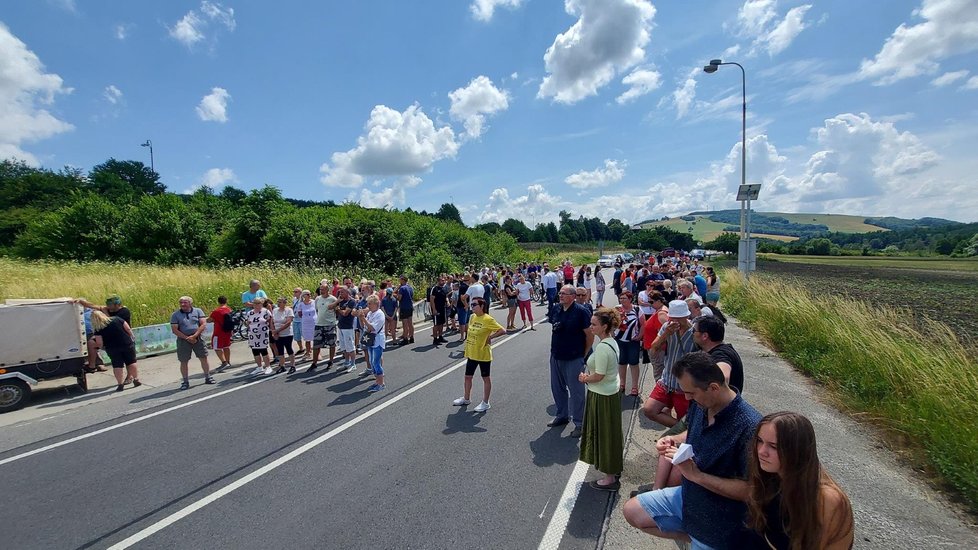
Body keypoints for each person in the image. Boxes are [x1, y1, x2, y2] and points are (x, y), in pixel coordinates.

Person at [623, 352, 762, 549]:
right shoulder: (702, 403)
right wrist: (673, 439)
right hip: (690, 496)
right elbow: (694, 432)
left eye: (691, 393)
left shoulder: (750, 428)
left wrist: (697, 476)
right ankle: (691, 534)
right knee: (632, 511)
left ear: (713, 387)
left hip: (720, 522)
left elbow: (753, 491)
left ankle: (698, 538)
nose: (687, 397)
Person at [734, 412, 855, 550]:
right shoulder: (771, 473)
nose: (762, 451)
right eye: (760, 441)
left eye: (773, 446)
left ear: (796, 450)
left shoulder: (825, 498)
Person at [579, 307, 623, 491]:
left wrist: (584, 378)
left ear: (605, 326)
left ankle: (609, 476)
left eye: (594, 324)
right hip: (608, 392)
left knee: (604, 434)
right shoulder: (612, 342)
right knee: (610, 432)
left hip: (602, 395)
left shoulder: (604, 348)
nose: (590, 327)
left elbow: (599, 375)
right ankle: (612, 467)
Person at [547, 284, 594, 438]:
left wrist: (584, 353)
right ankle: (562, 415)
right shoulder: (556, 309)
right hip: (556, 355)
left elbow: (589, 335)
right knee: (557, 388)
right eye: (560, 293)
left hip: (574, 357)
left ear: (573, 296)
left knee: (576, 392)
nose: (560, 296)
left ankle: (580, 423)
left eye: (564, 293)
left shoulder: (581, 312)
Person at [643, 300, 696, 428]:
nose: (675, 322)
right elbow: (653, 349)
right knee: (649, 410)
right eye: (673, 318)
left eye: (679, 319)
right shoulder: (667, 326)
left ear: (686, 316)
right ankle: (682, 429)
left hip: (684, 386)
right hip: (667, 380)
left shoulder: (694, 332)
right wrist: (666, 334)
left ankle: (684, 432)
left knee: (684, 416)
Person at [452, 297, 506, 412]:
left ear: (481, 306)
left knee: (485, 378)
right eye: (471, 305)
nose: (472, 307)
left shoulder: (488, 319)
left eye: (474, 305)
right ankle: (466, 398)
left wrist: (490, 337)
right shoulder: (472, 317)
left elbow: (502, 330)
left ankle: (485, 402)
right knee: (467, 377)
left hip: (483, 354)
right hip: (472, 352)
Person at [90, 310, 139, 392]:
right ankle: (136, 379)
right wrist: (132, 337)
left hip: (112, 348)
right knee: (131, 362)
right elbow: (127, 328)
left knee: (117, 366)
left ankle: (120, 384)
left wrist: (96, 346)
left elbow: (100, 343)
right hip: (127, 344)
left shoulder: (98, 329)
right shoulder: (117, 319)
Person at [170, 296, 212, 389]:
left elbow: (203, 324)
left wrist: (195, 335)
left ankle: (208, 377)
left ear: (190, 303)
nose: (182, 304)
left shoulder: (198, 311)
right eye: (181, 302)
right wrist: (187, 338)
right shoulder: (175, 315)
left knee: (203, 357)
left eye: (185, 302)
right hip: (183, 340)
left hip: (197, 338)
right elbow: (174, 329)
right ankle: (185, 382)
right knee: (183, 360)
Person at [615, 291, 644, 397]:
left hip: (633, 340)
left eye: (624, 298)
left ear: (630, 299)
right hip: (620, 340)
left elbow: (643, 324)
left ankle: (634, 387)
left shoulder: (637, 309)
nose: (622, 300)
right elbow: (611, 322)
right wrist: (612, 333)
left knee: (633, 363)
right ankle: (622, 384)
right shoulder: (617, 309)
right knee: (621, 362)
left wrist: (640, 336)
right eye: (621, 298)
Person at [358, 295, 387, 392]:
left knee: (376, 362)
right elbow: (364, 327)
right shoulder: (370, 313)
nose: (368, 305)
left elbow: (373, 328)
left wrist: (364, 319)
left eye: (370, 304)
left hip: (377, 340)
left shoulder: (380, 314)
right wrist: (361, 318)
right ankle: (377, 381)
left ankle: (381, 383)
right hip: (370, 340)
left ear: (376, 304)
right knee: (371, 361)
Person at [640, 292, 670, 381]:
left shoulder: (661, 314)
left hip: (658, 349)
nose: (650, 304)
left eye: (652, 302)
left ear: (659, 301)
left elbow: (665, 333)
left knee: (659, 374)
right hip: (655, 348)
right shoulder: (660, 311)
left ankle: (661, 393)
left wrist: (656, 347)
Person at [309, 284, 338, 372]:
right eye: (320, 289)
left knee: (331, 343)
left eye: (323, 289)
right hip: (319, 324)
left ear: (327, 290)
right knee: (316, 344)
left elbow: (336, 310)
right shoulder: (317, 299)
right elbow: (317, 310)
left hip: (330, 324)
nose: (321, 291)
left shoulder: (333, 299)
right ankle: (314, 363)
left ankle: (331, 361)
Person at [245, 298, 274, 375]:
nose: (256, 305)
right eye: (255, 304)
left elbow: (270, 321)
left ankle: (268, 366)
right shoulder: (250, 313)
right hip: (252, 334)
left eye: (258, 304)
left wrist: (272, 330)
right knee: (255, 351)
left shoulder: (265, 312)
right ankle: (259, 367)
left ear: (261, 304)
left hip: (262, 334)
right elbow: (247, 323)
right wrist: (247, 323)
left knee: (263, 350)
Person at [208, 296, 234, 372]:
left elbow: (209, 320)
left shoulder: (216, 311)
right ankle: (228, 361)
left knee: (217, 347)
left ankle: (224, 362)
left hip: (218, 332)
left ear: (218, 302)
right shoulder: (229, 310)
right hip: (228, 331)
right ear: (226, 301)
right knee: (226, 346)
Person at [336, 287, 359, 372]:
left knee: (350, 346)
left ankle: (353, 364)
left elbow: (346, 313)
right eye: (340, 292)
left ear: (347, 293)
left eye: (342, 292)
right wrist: (338, 302)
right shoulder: (341, 301)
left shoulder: (351, 301)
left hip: (348, 327)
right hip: (340, 326)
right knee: (343, 346)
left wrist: (338, 309)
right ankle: (346, 362)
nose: (340, 294)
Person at [271, 297, 296, 374]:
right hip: (277, 333)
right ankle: (282, 365)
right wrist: (274, 332)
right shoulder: (275, 311)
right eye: (278, 302)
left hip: (287, 333)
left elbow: (288, 323)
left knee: (289, 348)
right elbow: (271, 322)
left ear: (284, 303)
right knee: (280, 350)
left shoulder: (289, 310)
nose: (278, 303)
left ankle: (293, 365)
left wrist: (278, 330)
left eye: (280, 302)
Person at [295, 290, 316, 361]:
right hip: (306, 323)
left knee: (315, 337)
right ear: (304, 296)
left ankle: (316, 352)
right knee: (307, 339)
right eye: (307, 294)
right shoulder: (301, 304)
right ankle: (308, 352)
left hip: (314, 322)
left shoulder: (314, 302)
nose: (309, 295)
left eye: (310, 294)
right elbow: (300, 314)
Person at [429, 274, 449, 344]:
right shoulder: (434, 289)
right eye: (442, 281)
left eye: (444, 280)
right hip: (436, 309)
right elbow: (431, 299)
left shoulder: (444, 288)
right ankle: (435, 339)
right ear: (438, 281)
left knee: (441, 323)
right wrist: (434, 309)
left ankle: (440, 336)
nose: (444, 282)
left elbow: (445, 296)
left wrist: (447, 301)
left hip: (442, 308)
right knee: (436, 324)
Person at [397, 275, 415, 345]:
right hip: (410, 306)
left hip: (404, 307)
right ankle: (411, 337)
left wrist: (396, 296)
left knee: (405, 323)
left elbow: (399, 298)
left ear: (403, 280)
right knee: (410, 322)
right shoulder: (410, 287)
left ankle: (405, 339)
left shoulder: (402, 288)